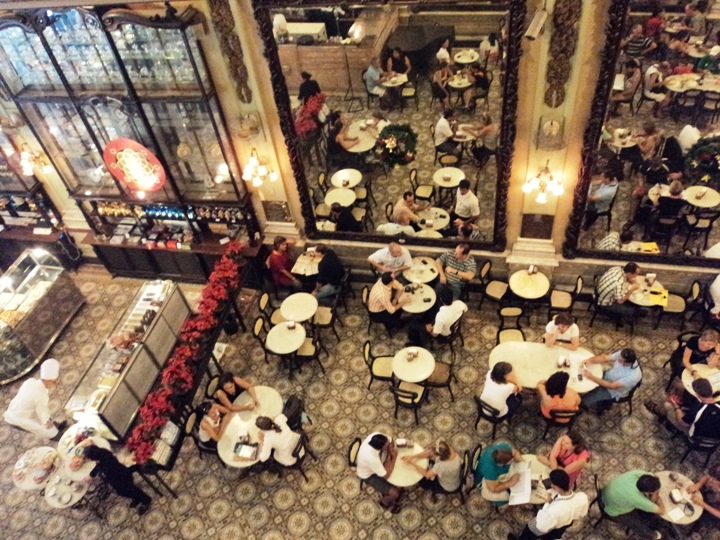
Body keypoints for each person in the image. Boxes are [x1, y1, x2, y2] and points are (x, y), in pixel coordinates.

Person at [507, 469, 589, 540]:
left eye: (552, 484)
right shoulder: (583, 497)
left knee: (529, 531)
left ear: (556, 487)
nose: (551, 485)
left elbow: (540, 525)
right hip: (563, 525)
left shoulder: (553, 511)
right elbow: (583, 513)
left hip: (547, 524)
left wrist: (547, 503)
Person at [601, 471, 676, 540]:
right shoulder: (638, 499)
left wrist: (654, 493)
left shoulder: (637, 474)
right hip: (612, 507)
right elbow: (662, 511)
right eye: (656, 492)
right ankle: (653, 535)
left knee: (642, 509)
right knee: (637, 524)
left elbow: (654, 476)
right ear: (647, 492)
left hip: (606, 492)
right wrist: (658, 499)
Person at [3, 358, 65, 439]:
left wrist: (46, 419)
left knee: (46, 419)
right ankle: (60, 437)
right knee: (47, 430)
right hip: (19, 418)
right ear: (48, 381)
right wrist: (46, 422)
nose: (55, 384)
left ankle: (57, 426)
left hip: (18, 409)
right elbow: (42, 411)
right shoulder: (41, 394)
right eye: (54, 382)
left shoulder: (31, 381)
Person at [83, 445, 151, 514]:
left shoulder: (106, 462)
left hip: (121, 477)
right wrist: (91, 475)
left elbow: (102, 468)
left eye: (89, 457)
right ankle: (137, 498)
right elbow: (99, 465)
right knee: (127, 491)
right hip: (119, 474)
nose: (88, 459)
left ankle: (146, 500)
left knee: (129, 491)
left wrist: (96, 476)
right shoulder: (102, 452)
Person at [645, 378, 720, 438]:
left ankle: (658, 410)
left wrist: (676, 406)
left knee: (667, 405)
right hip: (715, 437)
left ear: (697, 394)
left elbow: (683, 423)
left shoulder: (697, 410)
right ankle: (662, 412)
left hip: (697, 437)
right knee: (684, 407)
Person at [580, 348, 642, 413]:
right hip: (608, 375)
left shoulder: (633, 376)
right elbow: (605, 358)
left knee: (584, 400)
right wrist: (590, 360)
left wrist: (591, 377)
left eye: (620, 360)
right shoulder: (623, 355)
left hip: (612, 391)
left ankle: (580, 407)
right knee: (588, 378)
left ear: (627, 363)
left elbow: (611, 386)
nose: (618, 360)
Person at [356, 432, 403, 512]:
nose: (389, 446)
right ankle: (384, 502)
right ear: (380, 449)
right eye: (386, 446)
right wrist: (394, 457)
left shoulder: (375, 436)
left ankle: (388, 490)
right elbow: (386, 475)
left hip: (375, 465)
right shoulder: (372, 459)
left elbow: (391, 440)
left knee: (398, 477)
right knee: (395, 493)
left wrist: (390, 450)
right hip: (369, 475)